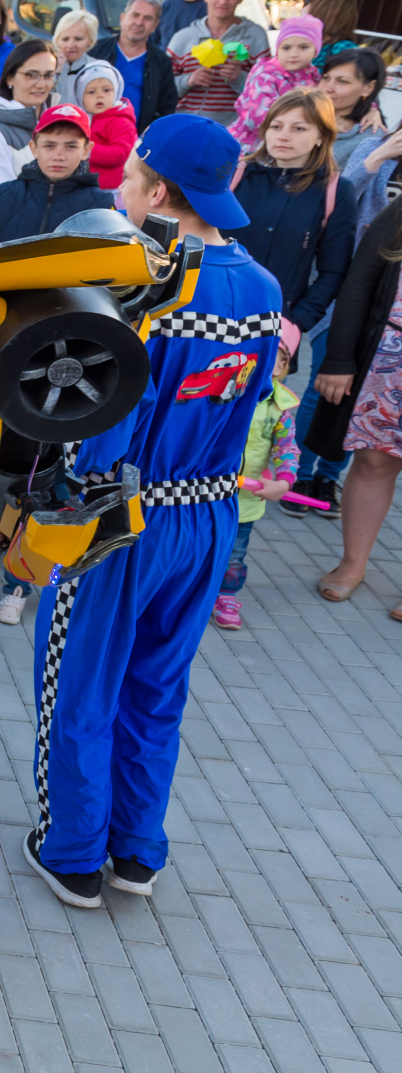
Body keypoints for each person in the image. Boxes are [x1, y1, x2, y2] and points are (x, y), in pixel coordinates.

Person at [23, 113, 282, 909]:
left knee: (79, 683)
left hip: (122, 513)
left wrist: (62, 506)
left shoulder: (145, 289)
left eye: (130, 176)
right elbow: (256, 403)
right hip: (207, 514)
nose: (119, 187)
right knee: (158, 685)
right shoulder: (265, 289)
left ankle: (71, 849)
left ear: (160, 190)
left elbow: (106, 423)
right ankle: (137, 846)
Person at [308, 195, 402, 601]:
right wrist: (340, 357)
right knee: (373, 463)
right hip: (389, 359)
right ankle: (353, 562)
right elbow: (359, 283)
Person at [227, 87, 355, 337]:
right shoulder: (235, 174)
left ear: (321, 136)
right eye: (276, 126)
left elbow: (333, 272)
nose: (284, 136)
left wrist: (295, 324)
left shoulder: (335, 190)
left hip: (272, 328)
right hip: (204, 312)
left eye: (299, 128)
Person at [213, 323, 302, 632]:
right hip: (205, 492)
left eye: (279, 358)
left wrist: (284, 481)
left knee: (234, 554)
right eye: (264, 355)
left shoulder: (279, 409)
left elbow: (288, 449)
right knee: (199, 548)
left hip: (247, 499)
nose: (271, 364)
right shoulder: (223, 392)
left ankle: (226, 596)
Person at [0, 104, 111, 252]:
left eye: (71, 147)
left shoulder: (101, 207)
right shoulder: (2, 199)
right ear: (34, 148)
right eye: (49, 146)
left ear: (86, 150)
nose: (59, 156)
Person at [168, 0, 270, 124]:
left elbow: (267, 90)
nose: (223, 1)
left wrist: (239, 78)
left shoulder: (255, 36)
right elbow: (163, 88)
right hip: (185, 124)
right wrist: (188, 80)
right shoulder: (184, 37)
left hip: (234, 129)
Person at [0, 40, 58, 201]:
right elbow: (4, 201)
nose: (42, 84)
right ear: (10, 78)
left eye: (49, 75)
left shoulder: (59, 122)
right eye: (31, 75)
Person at [229, 13, 324, 152]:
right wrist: (292, 134)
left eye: (303, 47)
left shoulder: (314, 77)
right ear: (278, 49)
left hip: (287, 145)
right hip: (250, 147)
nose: (294, 54)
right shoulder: (265, 76)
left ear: (316, 50)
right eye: (286, 48)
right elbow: (258, 117)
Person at [91, 0, 177, 133]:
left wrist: (150, 134)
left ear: (155, 26)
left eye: (147, 18)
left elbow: (167, 106)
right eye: (135, 15)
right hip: (95, 137)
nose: (139, 22)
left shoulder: (161, 62)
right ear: (122, 18)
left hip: (136, 143)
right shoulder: (96, 51)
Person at [320, 47, 387, 168]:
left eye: (343, 81)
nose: (327, 88)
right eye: (326, 78)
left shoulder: (369, 138)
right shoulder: (297, 115)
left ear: (368, 88)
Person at [81, 63, 136, 191]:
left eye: (106, 90)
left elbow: (120, 154)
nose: (100, 95)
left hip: (107, 187)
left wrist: (85, 150)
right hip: (84, 183)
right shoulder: (83, 118)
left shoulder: (120, 120)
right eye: (91, 92)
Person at [50, 10, 99, 108]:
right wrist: (56, 71)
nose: (70, 45)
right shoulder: (45, 66)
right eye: (65, 39)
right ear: (57, 40)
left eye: (78, 39)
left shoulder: (97, 69)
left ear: (90, 40)